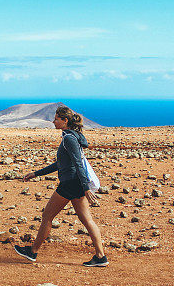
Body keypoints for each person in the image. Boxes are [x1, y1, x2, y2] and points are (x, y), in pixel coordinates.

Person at [14, 106, 108, 267]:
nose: (53, 121)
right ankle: (101, 257)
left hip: (70, 183)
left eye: (56, 119)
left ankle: (33, 252)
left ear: (65, 121)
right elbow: (60, 163)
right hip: (75, 183)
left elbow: (78, 163)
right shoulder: (72, 137)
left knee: (47, 217)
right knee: (87, 220)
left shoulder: (69, 139)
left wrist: (85, 187)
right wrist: (36, 173)